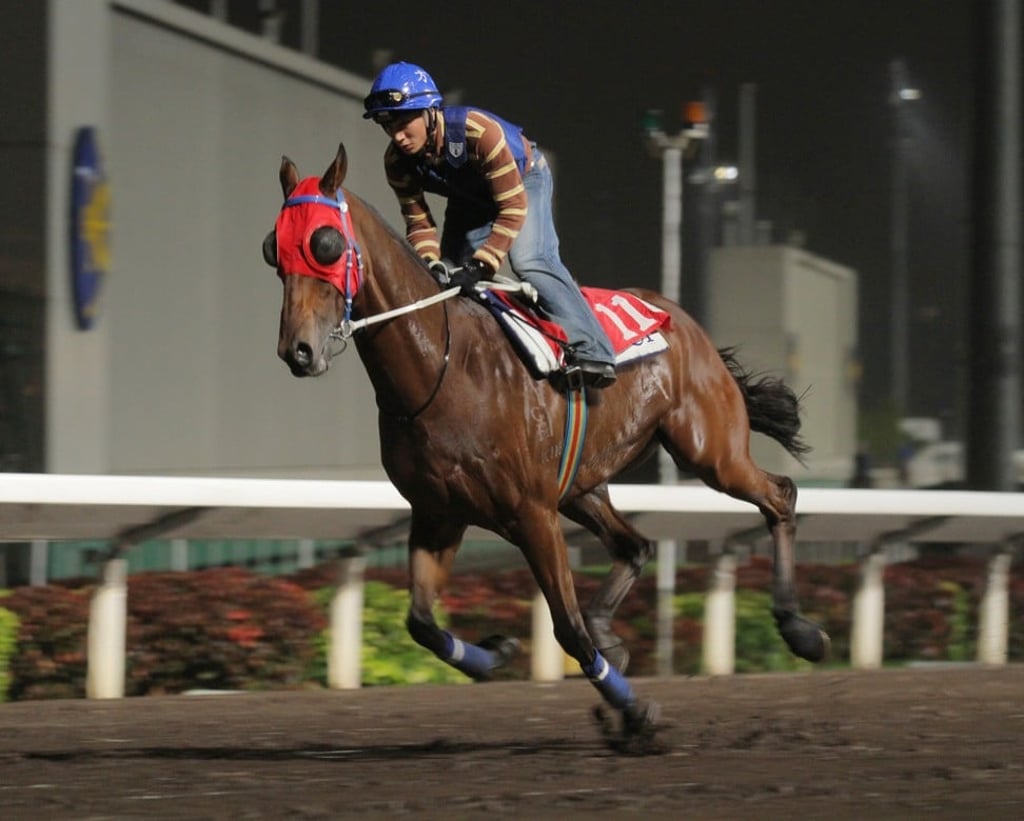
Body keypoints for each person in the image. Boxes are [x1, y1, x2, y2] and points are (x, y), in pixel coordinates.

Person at [363, 61, 617, 388]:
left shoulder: (478, 131)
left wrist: (483, 264)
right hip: (470, 199)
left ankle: (594, 349)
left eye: (404, 121)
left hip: (523, 183)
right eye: (387, 125)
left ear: (430, 111)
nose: (397, 136)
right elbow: (419, 223)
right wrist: (431, 263)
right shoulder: (397, 164)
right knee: (448, 279)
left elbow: (512, 207)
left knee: (530, 260)